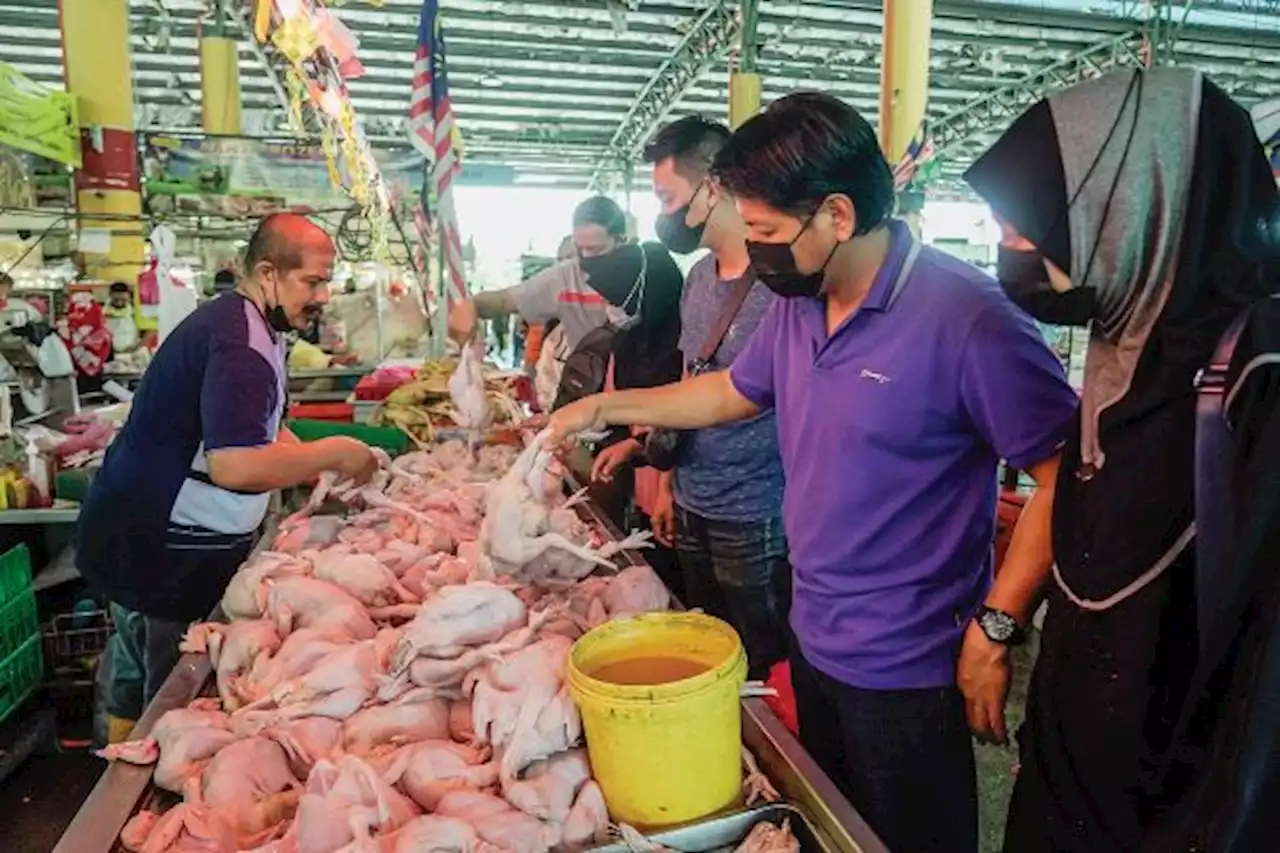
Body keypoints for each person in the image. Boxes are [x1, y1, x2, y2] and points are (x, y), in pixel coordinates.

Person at [546, 92, 1079, 853]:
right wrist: (609, 407)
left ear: (836, 213)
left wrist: (995, 629)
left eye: (765, 232)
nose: (754, 251)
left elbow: (1063, 477)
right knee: (833, 828)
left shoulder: (970, 317)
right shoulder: (801, 301)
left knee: (910, 835)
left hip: (907, 659)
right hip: (814, 626)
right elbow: (732, 390)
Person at [964, 68, 1280, 853]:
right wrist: (1000, 627)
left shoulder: (1259, 381)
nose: (1008, 245)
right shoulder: (1128, 331)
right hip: (1077, 752)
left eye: (1027, 222)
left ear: (1135, 201)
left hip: (1172, 803)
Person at [78, 214, 379, 745]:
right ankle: (126, 776)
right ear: (268, 274)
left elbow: (265, 428)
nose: (325, 295)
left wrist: (316, 460)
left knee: (135, 663)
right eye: (312, 281)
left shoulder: (247, 324)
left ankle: (115, 752)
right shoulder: (241, 345)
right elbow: (235, 465)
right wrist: (333, 452)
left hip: (140, 531)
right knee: (167, 692)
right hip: (163, 549)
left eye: (326, 281)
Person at [592, 115, 789, 680]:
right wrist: (668, 483)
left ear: (713, 186)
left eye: (666, 196)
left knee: (760, 665)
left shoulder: (780, 283)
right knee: (704, 649)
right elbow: (688, 378)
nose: (662, 212)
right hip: (696, 499)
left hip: (758, 512)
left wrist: (609, 410)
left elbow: (744, 394)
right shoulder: (700, 277)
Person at [447, 196, 630, 351]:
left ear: (622, 241)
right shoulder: (565, 277)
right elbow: (504, 300)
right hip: (586, 383)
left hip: (637, 388)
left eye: (595, 250)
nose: (585, 256)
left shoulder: (647, 275)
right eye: (579, 248)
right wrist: (471, 306)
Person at [103, 281, 140, 354]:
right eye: (116, 300)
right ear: (110, 295)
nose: (120, 303)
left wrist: (136, 348)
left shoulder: (135, 311)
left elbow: (146, 333)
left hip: (133, 352)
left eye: (123, 300)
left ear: (128, 296)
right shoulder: (102, 313)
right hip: (110, 354)